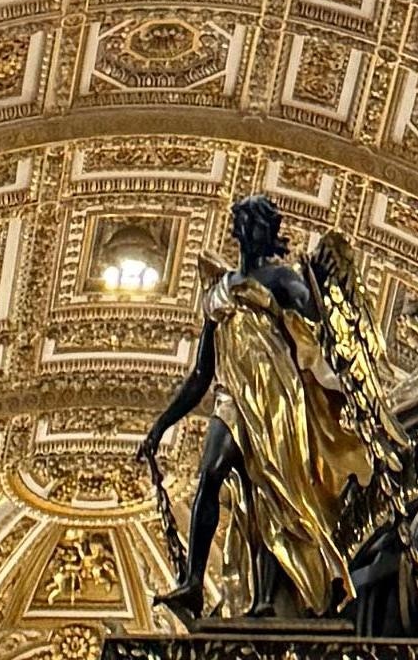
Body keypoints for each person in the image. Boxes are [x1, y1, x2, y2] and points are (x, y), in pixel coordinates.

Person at [139, 194, 381, 622]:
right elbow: (201, 374)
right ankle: (194, 582)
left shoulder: (283, 280)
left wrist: (325, 285)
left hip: (278, 401)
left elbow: (325, 327)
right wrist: (160, 426)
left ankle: (265, 599)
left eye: (255, 225)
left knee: (270, 495)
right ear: (237, 231)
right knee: (210, 474)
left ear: (267, 233)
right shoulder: (219, 289)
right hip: (232, 397)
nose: (248, 232)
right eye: (243, 224)